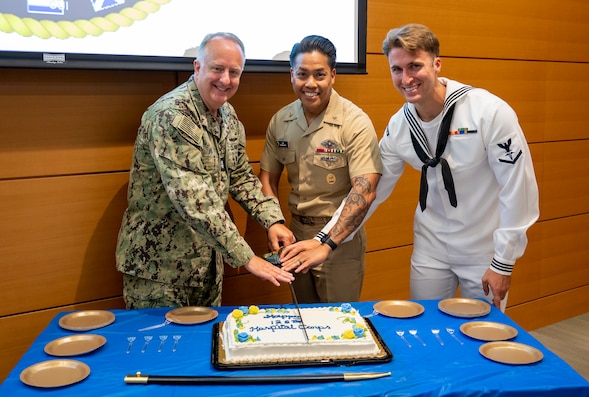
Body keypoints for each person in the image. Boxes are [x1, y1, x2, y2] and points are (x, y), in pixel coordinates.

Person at [280, 24, 539, 310]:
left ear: (437, 64)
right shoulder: (400, 125)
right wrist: (324, 240)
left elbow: (519, 189)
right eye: (397, 69)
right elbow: (369, 191)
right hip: (431, 248)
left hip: (483, 249)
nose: (406, 78)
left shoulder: (488, 112)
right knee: (425, 330)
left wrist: (503, 262)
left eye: (415, 66)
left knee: (481, 333)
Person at [116, 32, 294, 309]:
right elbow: (196, 202)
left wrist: (273, 220)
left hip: (207, 265)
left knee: (203, 350)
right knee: (164, 350)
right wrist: (247, 257)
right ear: (198, 67)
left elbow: (241, 176)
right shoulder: (172, 116)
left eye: (234, 72)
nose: (225, 80)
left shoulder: (227, 115)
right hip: (161, 273)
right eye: (217, 69)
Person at [258, 35, 382, 303]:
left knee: (338, 324)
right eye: (302, 74)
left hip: (340, 241)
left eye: (319, 75)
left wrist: (327, 243)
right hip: (294, 236)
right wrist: (274, 222)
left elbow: (365, 190)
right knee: (304, 320)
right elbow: (267, 177)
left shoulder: (355, 122)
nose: (310, 84)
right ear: (292, 74)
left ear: (333, 75)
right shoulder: (281, 120)